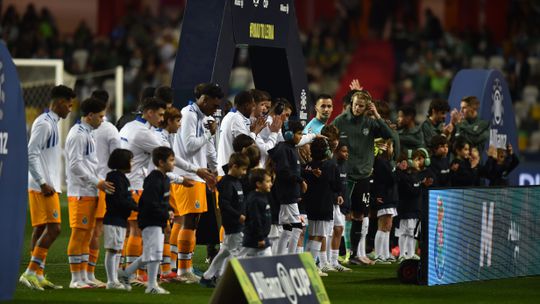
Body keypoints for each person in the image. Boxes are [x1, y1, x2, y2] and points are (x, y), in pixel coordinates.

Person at [119, 97, 207, 284]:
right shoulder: (146, 134)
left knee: (138, 231)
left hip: (129, 184)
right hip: (138, 187)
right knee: (142, 231)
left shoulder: (129, 126)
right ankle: (137, 275)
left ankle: (133, 272)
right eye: (160, 115)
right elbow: (169, 160)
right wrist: (192, 172)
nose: (162, 119)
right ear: (149, 112)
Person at [21, 85, 75, 290]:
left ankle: (37, 274)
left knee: (41, 228)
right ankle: (30, 272)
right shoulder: (44, 123)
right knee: (54, 228)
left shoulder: (52, 122)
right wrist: (43, 182)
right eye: (69, 105)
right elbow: (31, 152)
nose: (70, 109)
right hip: (43, 185)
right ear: (60, 103)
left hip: (45, 183)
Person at [332, 90, 393, 265]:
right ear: (351, 102)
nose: (358, 108)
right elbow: (330, 141)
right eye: (356, 104)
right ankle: (336, 254)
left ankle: (353, 255)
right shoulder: (340, 121)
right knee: (340, 214)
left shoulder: (370, 122)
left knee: (359, 214)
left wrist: (377, 115)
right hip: (345, 175)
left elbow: (389, 135)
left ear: (367, 107)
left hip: (364, 175)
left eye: (362, 106)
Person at [172, 83, 223, 282]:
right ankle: (182, 270)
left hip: (198, 175)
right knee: (189, 222)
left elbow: (209, 148)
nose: (215, 109)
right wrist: (209, 133)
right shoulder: (189, 115)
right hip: (187, 175)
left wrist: (215, 171)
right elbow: (190, 145)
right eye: (213, 105)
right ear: (203, 99)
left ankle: (178, 267)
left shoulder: (204, 117)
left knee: (188, 221)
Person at [65, 97, 115, 288]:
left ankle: (85, 276)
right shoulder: (78, 134)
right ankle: (75, 279)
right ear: (91, 115)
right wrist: (97, 182)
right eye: (100, 116)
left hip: (90, 190)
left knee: (87, 235)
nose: (102, 120)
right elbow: (75, 165)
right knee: (79, 234)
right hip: (80, 192)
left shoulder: (88, 133)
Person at [118, 147, 177, 294]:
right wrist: (165, 213)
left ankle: (126, 273)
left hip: (157, 219)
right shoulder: (153, 180)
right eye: (171, 160)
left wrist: (169, 210)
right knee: (155, 252)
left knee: (151, 253)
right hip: (150, 220)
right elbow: (151, 203)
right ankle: (151, 286)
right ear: (161, 162)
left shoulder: (165, 179)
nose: (174, 163)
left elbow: (162, 201)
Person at [200, 153, 250, 287]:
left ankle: (207, 276)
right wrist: (238, 215)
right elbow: (224, 204)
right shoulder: (227, 183)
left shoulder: (237, 181)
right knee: (237, 251)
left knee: (225, 251)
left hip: (237, 222)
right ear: (234, 166)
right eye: (243, 169)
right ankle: (229, 280)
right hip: (232, 223)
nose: (245, 173)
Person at [89, 89, 121, 287]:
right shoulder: (108, 129)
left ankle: (84, 271)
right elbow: (118, 157)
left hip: (87, 183)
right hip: (104, 184)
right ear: (107, 105)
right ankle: (89, 273)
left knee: (88, 230)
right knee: (98, 231)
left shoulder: (82, 127)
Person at [303, 138, 344, 275]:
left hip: (309, 204)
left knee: (312, 235)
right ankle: (312, 266)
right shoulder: (331, 166)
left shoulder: (308, 166)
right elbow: (337, 186)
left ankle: (307, 265)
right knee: (320, 236)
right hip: (324, 204)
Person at [268, 120, 307, 255]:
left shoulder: (291, 149)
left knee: (287, 228)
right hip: (287, 195)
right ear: (289, 134)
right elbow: (283, 171)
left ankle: (280, 257)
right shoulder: (284, 149)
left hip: (290, 194)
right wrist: (300, 180)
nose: (301, 137)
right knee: (297, 226)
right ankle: (291, 258)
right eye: (299, 133)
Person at [103, 149, 138, 290]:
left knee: (117, 249)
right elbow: (120, 199)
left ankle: (115, 279)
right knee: (112, 250)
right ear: (123, 162)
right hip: (113, 218)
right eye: (130, 160)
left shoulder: (122, 178)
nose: (132, 163)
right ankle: (111, 281)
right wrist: (135, 207)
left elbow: (126, 198)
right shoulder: (114, 177)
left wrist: (135, 206)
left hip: (120, 219)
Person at [217, 91, 263, 176]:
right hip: (229, 172)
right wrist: (255, 132)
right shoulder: (236, 118)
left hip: (227, 171)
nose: (253, 109)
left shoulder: (231, 116)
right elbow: (245, 146)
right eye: (252, 106)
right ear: (246, 106)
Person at [372, 139, 398, 264]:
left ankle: (385, 253)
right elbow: (390, 179)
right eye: (390, 146)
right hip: (384, 197)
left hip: (390, 196)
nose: (392, 149)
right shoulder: (381, 162)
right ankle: (378, 255)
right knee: (383, 226)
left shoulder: (386, 162)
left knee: (388, 227)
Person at [239, 168, 274, 257]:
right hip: (254, 240)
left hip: (262, 238)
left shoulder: (263, 196)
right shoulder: (255, 199)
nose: (271, 184)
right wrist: (260, 238)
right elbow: (255, 220)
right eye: (268, 181)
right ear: (258, 184)